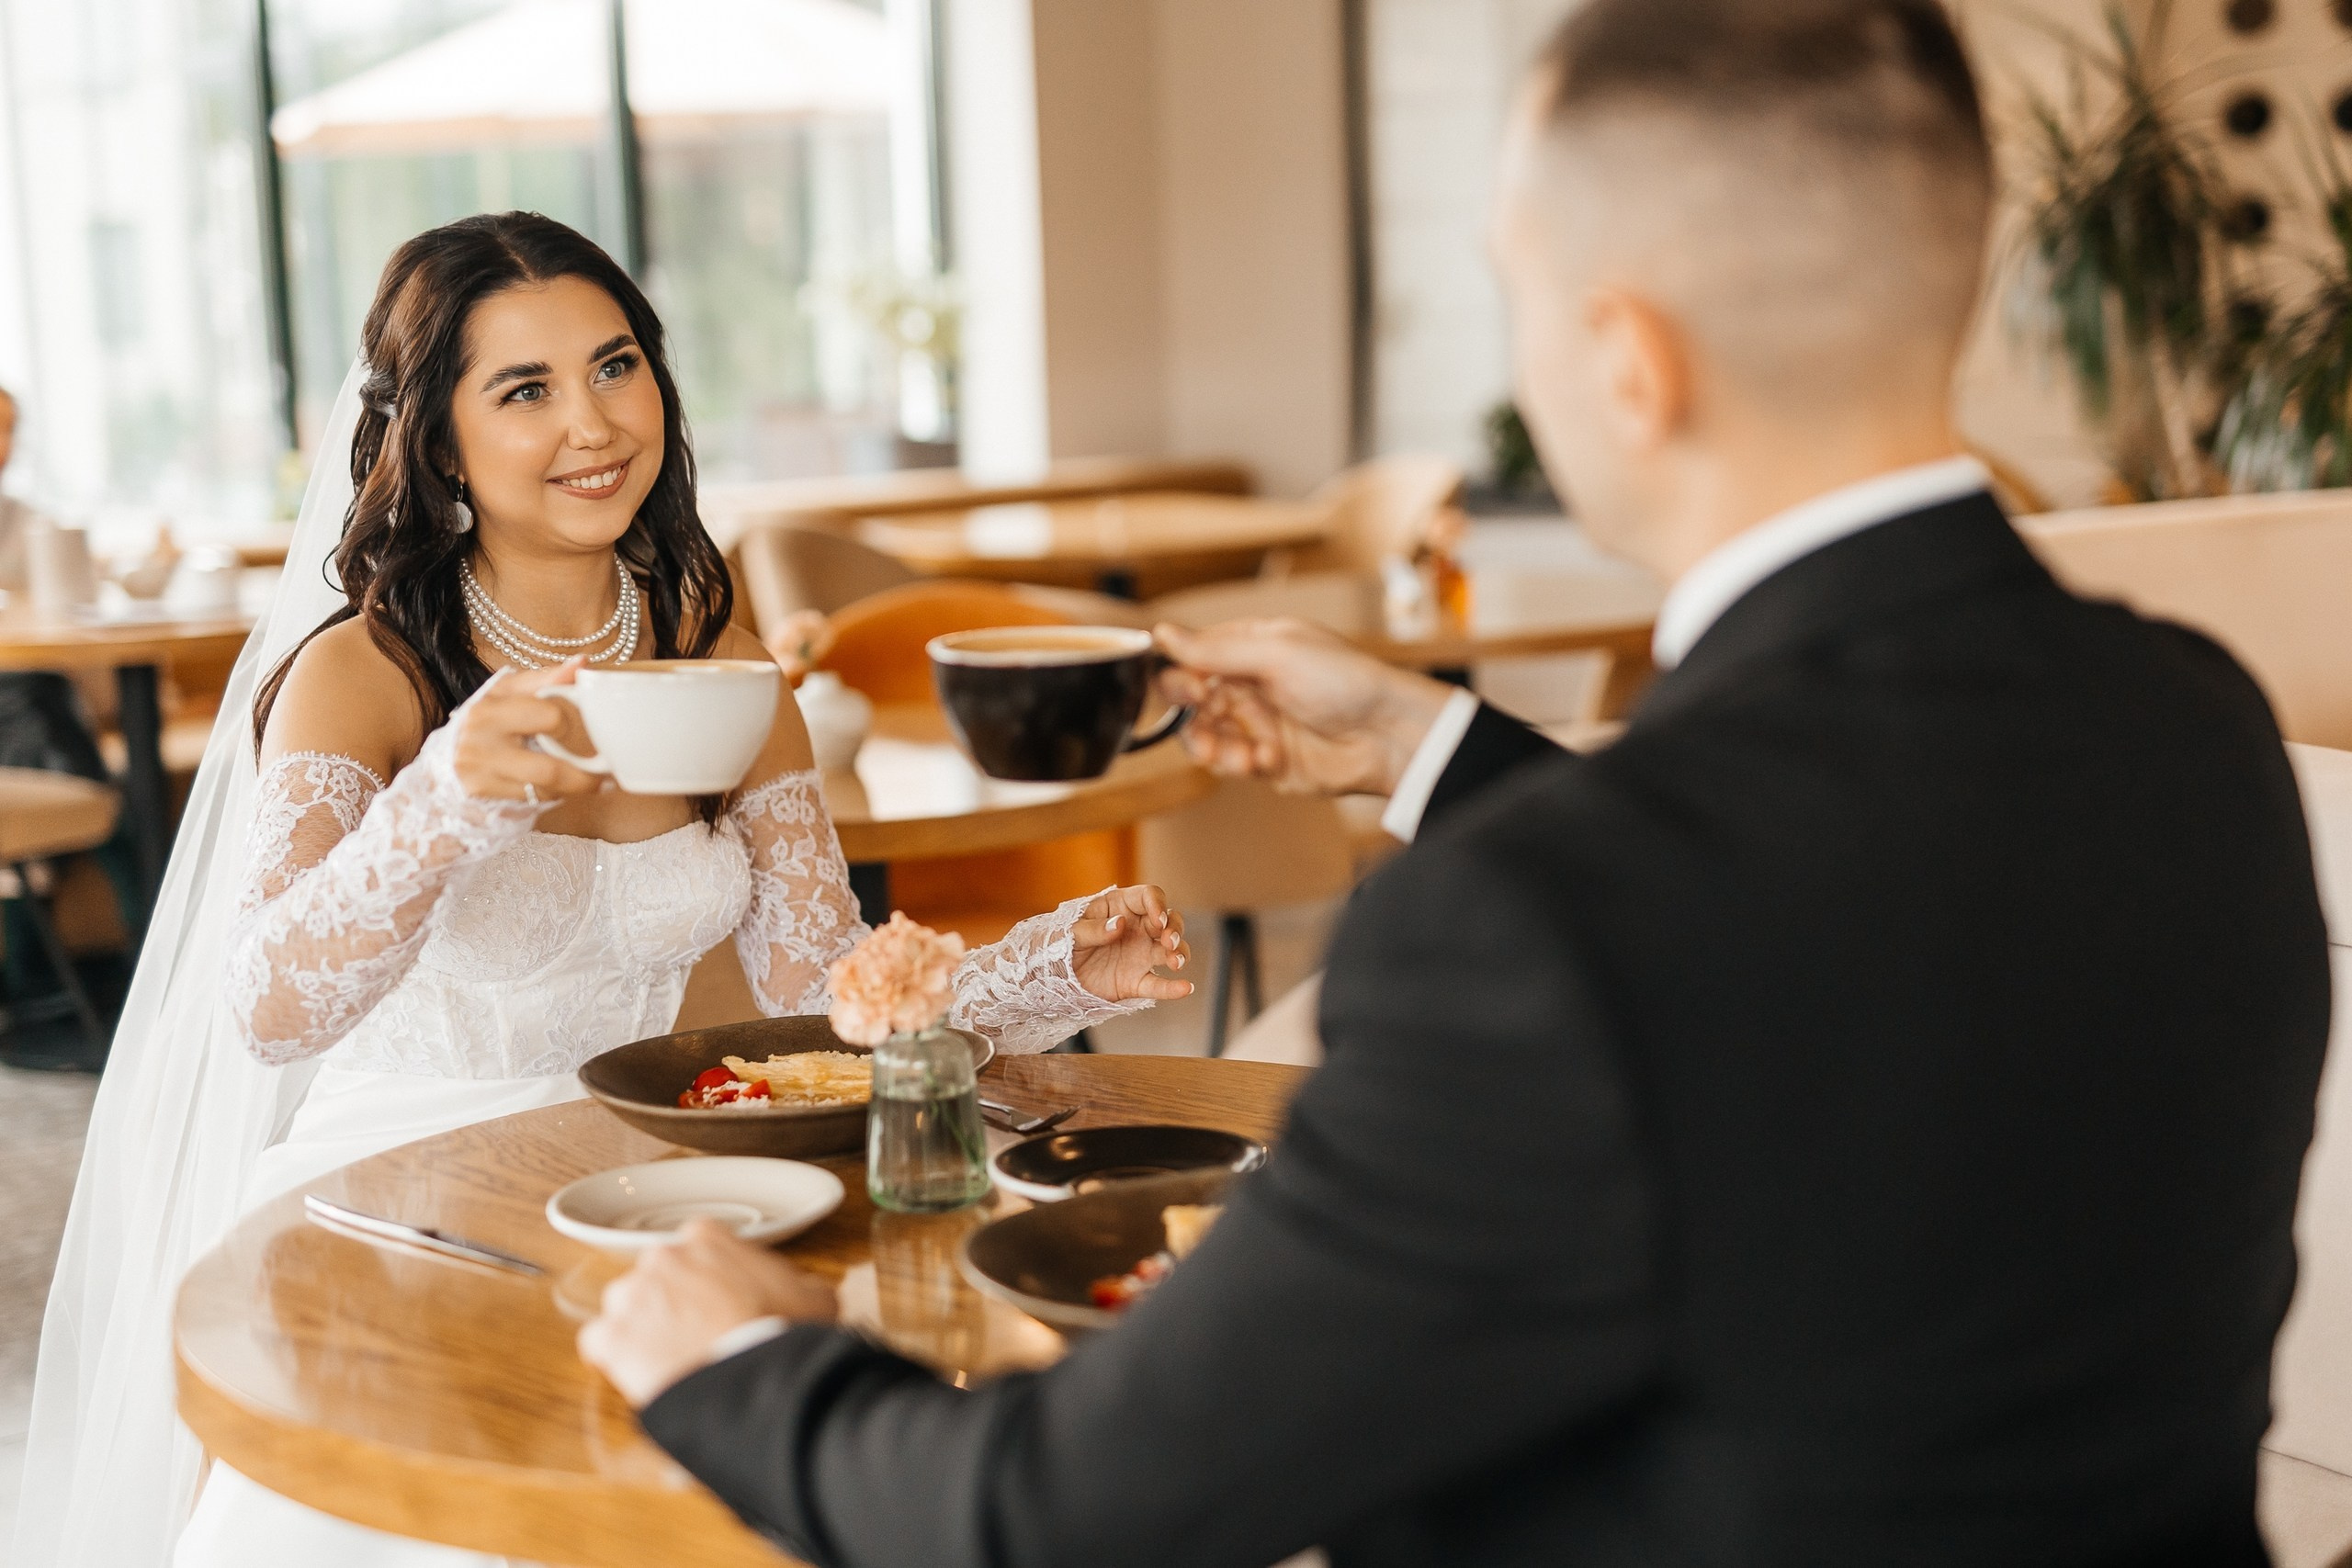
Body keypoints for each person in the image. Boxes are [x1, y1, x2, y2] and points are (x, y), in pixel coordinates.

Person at [577, 2, 2333, 1564]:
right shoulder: (2196, 731)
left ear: (1629, 360)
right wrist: (1421, 744)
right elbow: (1837, 926)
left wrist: (742, 1358)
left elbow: (1063, 1511)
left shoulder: (1539, 931)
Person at [16, 210, 1192, 1568]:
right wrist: (444, 800)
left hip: (645, 1181)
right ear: (439, 441)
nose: (595, 423)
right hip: (405, 1190)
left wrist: (1055, 966)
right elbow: (271, 1010)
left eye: (616, 365)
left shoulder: (720, 654)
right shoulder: (369, 674)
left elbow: (824, 998)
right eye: (525, 389)